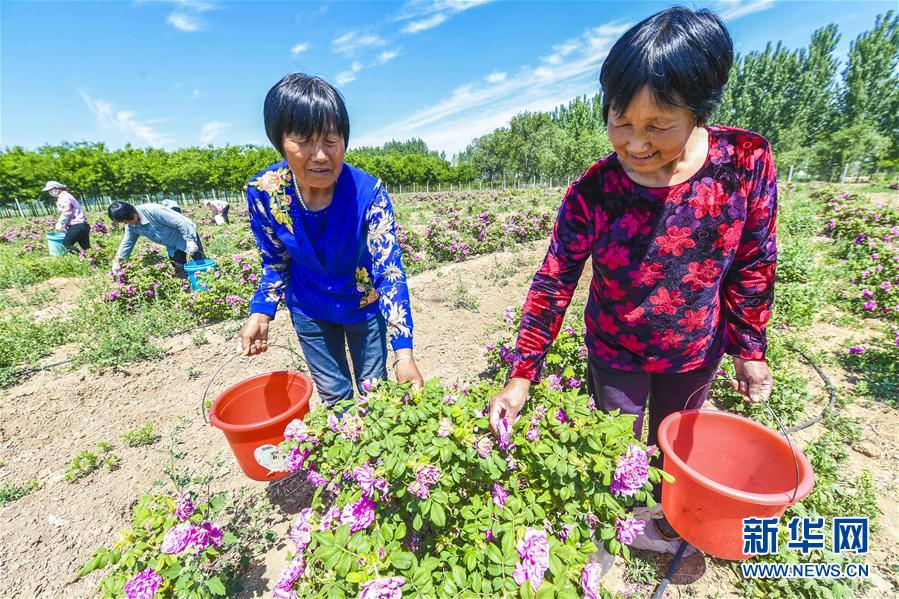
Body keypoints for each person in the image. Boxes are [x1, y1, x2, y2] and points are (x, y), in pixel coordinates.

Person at [488, 6, 776, 550]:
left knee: (676, 445)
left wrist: (749, 346)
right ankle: (617, 529)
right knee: (614, 445)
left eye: (658, 126)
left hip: (695, 347)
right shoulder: (593, 191)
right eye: (620, 121)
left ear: (699, 111)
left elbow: (754, 260)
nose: (636, 144)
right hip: (615, 349)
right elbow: (553, 283)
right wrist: (522, 372)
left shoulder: (744, 162)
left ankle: (671, 524)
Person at [237, 73, 424, 405]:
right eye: (304, 141)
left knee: (374, 393)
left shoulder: (369, 193)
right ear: (280, 141)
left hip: (363, 306)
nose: (320, 155)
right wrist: (261, 312)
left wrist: (404, 355)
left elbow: (389, 271)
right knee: (335, 397)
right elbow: (275, 260)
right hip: (309, 308)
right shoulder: (264, 193)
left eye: (331, 140)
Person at [107, 201, 205, 279]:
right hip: (171, 245)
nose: (126, 224)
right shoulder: (131, 225)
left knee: (201, 263)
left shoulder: (153, 211)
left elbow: (181, 222)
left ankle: (208, 285)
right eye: (124, 222)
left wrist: (190, 240)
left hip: (185, 236)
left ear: (131, 214)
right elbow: (128, 242)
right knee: (179, 269)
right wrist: (117, 260)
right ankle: (190, 289)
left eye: (126, 221)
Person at [42, 181, 90, 252]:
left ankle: (80, 256)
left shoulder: (63, 197)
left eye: (51, 190)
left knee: (67, 244)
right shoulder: (67, 195)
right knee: (86, 248)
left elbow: (67, 212)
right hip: (83, 225)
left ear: (57, 188)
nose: (50, 192)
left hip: (77, 225)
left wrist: (60, 222)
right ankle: (92, 259)